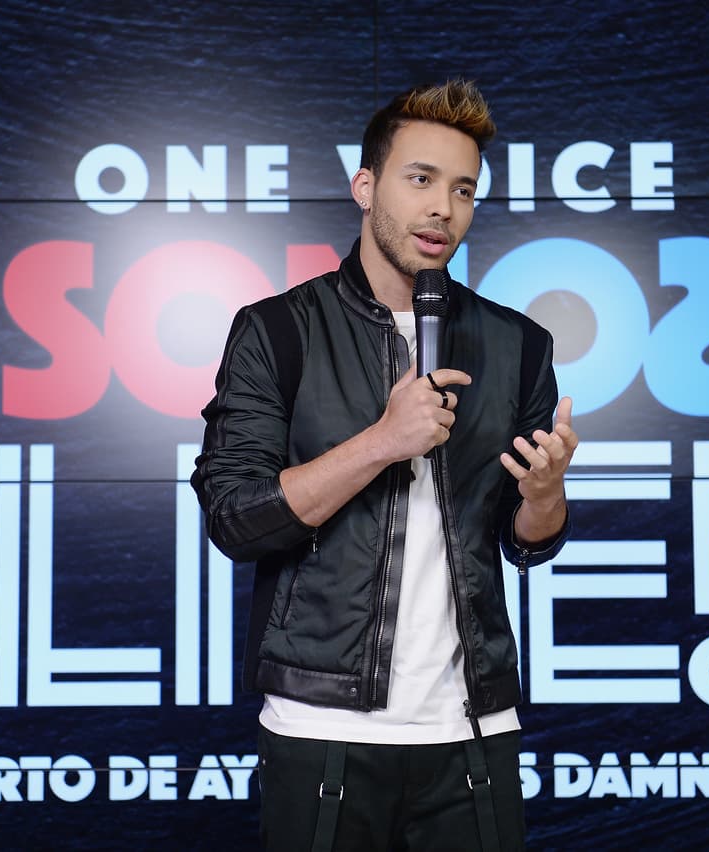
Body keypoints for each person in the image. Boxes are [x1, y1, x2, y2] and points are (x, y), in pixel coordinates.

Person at [192, 79, 578, 851]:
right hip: (320, 726)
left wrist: (545, 494)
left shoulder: (518, 345)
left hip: (474, 727)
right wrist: (381, 440)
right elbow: (235, 518)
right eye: (421, 178)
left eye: (464, 189)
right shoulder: (278, 331)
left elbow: (527, 542)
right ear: (365, 187)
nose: (443, 207)